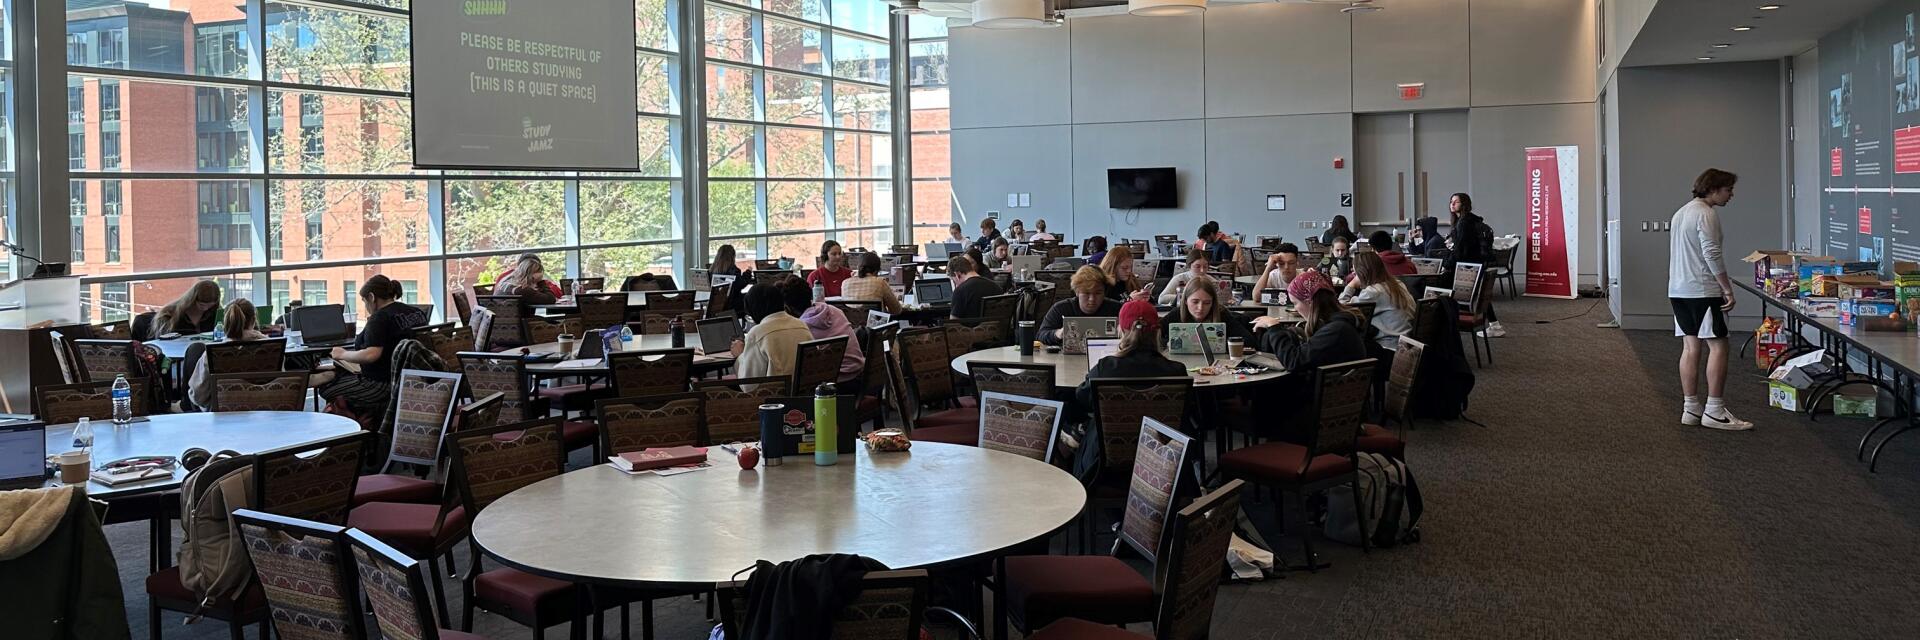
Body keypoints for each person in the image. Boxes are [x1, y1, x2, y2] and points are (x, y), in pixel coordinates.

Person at [1670, 168, 1751, 431]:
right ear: (1714, 189)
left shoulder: (1681, 212)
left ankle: (1690, 408)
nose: (1732, 195)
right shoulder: (1706, 214)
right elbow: (1711, 254)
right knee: (1718, 346)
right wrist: (1727, 288)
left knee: (1691, 347)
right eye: (1728, 190)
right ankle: (1715, 410)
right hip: (1702, 290)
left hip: (1679, 289)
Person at [1251, 270, 1373, 443]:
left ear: (1309, 302)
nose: (1295, 309)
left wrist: (1274, 327)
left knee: (1268, 400)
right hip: (1337, 411)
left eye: (1295, 303)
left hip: (1325, 421)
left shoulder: (1336, 331)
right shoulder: (1341, 325)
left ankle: (1267, 452)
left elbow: (1294, 361)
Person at [314, 276, 429, 418]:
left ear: (372, 297)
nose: (366, 306)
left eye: (364, 301)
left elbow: (371, 354)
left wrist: (342, 354)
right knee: (342, 376)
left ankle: (364, 420)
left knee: (326, 389)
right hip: (413, 380)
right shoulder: (416, 312)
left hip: (380, 384)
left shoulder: (380, 317)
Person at [1077, 299, 1186, 410]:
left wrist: (1091, 374)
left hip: (1114, 426)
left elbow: (1083, 397)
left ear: (1121, 331)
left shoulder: (1105, 368)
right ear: (1157, 331)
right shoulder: (1177, 371)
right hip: (1161, 427)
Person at [186, 299, 269, 410]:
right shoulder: (271, 348)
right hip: (263, 412)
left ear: (226, 321)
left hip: (221, 416)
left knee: (195, 349)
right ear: (254, 320)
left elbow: (198, 396)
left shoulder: (213, 352)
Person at [732, 276, 814, 382]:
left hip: (773, 396)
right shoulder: (801, 325)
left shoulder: (758, 333)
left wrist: (740, 356)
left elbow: (748, 385)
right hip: (804, 394)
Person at [1340, 253, 1415, 351]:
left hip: (1389, 347)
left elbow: (1341, 308)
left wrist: (1351, 285)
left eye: (1355, 272)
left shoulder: (1373, 292)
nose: (1354, 275)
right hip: (1407, 342)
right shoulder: (1398, 284)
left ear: (1361, 273)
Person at [1038, 267, 1125, 345]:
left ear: (1104, 292)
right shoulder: (1061, 308)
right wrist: (1057, 334)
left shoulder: (1117, 309)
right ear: (1077, 292)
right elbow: (1041, 335)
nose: (1092, 299)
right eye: (1086, 293)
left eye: (1098, 293)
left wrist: (1126, 333)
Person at [1160, 274, 1254, 343]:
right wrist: (1169, 343)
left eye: (1207, 303)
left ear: (1213, 303)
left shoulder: (1222, 314)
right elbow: (1154, 337)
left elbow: (1249, 341)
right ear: (1185, 301)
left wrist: (1223, 344)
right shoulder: (1176, 314)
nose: (1200, 308)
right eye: (1195, 302)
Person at [799, 300, 867, 393]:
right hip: (860, 375)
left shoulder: (801, 327)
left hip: (834, 386)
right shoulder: (835, 311)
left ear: (788, 308)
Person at [137, 280, 223, 340]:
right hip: (175, 357)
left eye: (210, 305)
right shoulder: (170, 314)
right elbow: (163, 341)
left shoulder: (215, 313)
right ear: (192, 299)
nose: (206, 308)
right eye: (201, 305)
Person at [1445, 192, 1494, 268]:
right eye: (1451, 201)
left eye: (1456, 202)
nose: (1452, 204)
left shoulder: (1464, 222)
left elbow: (1460, 248)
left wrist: (1447, 265)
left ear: (1464, 204)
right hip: (1475, 263)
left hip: (1466, 266)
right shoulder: (1468, 219)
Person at [491, 252, 564, 299]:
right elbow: (551, 299)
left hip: (499, 319)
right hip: (522, 322)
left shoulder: (506, 279)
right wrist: (540, 281)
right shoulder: (522, 289)